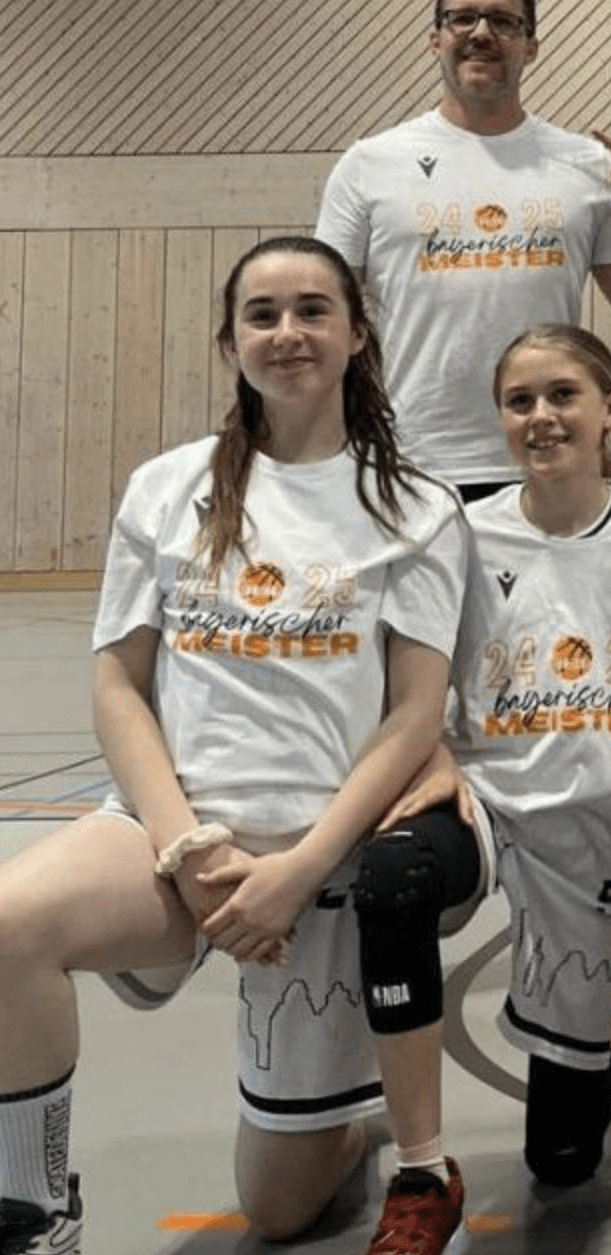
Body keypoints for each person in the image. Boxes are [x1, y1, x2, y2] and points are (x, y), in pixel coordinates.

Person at [0, 236, 466, 1251]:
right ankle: (33, 1214)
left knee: (278, 1211)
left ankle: (348, 1118)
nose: (287, 333)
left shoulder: (415, 506)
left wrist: (297, 871)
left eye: (312, 310)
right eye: (262, 314)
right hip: (171, 842)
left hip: (316, 864)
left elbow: (413, 717)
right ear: (231, 340)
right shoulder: (166, 488)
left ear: (357, 333)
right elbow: (119, 685)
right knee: (6, 925)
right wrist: (185, 849)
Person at [346, 325, 611, 1250]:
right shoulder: (460, 537)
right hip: (487, 804)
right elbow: (401, 678)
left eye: (562, 396)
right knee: (393, 881)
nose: (541, 417)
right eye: (519, 401)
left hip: (599, 832)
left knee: (562, 1159)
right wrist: (433, 747)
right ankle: (422, 1172)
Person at [316, 0, 611, 500]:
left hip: (547, 457)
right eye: (462, 18)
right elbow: (326, 313)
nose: (481, 33)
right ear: (435, 39)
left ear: (530, 46)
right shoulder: (369, 164)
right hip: (413, 460)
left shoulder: (587, 164)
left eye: (503, 21)